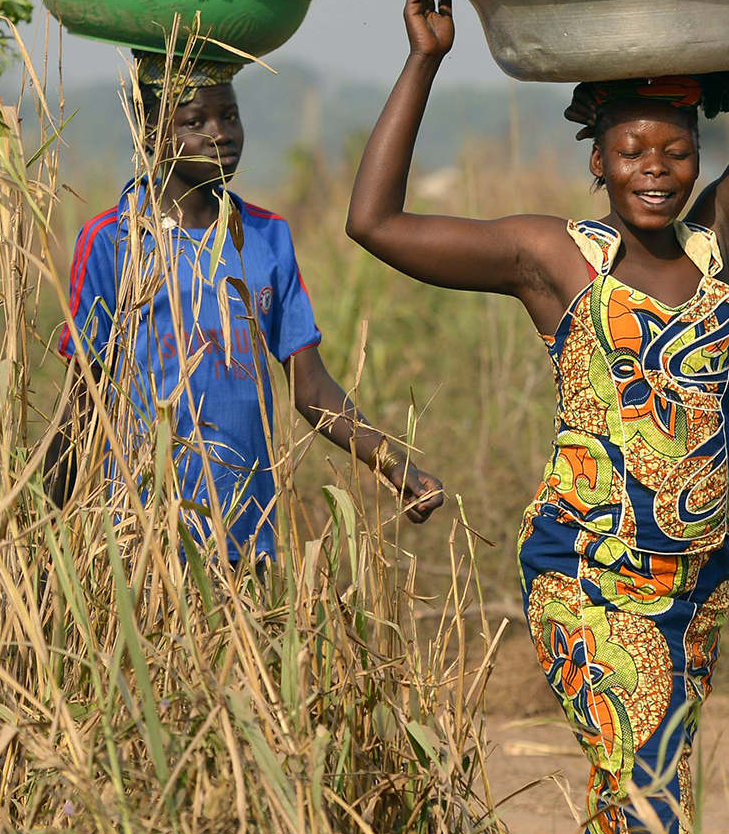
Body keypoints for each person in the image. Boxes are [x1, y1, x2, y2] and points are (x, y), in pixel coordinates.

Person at [345, 0, 729, 834]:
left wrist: (685, 69)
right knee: (646, 796)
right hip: (589, 575)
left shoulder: (718, 244)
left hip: (692, 580)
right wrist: (424, 61)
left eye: (676, 150)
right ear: (595, 160)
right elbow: (375, 225)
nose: (657, 168)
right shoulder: (556, 259)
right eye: (632, 149)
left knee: (638, 787)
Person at [51, 55, 443, 560]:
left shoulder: (264, 235)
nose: (221, 133)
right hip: (139, 529)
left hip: (245, 527)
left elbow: (311, 386)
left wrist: (391, 462)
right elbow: (85, 392)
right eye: (195, 122)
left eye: (230, 117)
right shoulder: (114, 239)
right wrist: (46, 519)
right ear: (149, 134)